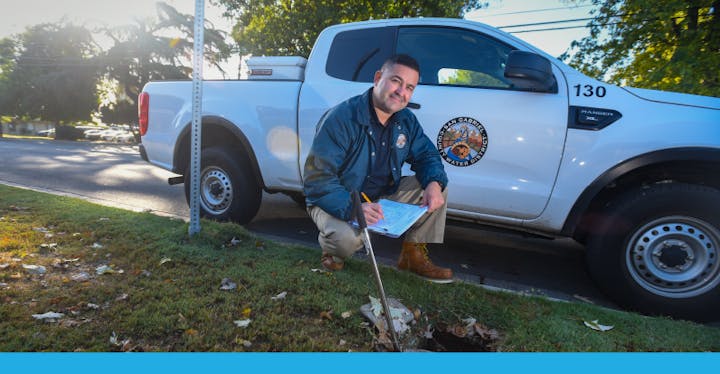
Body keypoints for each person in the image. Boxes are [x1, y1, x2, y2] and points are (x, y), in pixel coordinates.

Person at [303, 54, 453, 283]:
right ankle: (332, 252)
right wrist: (354, 208)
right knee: (345, 240)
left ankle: (412, 256)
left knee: (436, 187)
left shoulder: (406, 120)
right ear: (378, 78)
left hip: (382, 193)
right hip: (338, 196)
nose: (401, 92)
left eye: (409, 87)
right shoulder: (342, 118)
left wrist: (434, 183)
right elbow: (317, 179)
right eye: (396, 81)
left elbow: (427, 156)